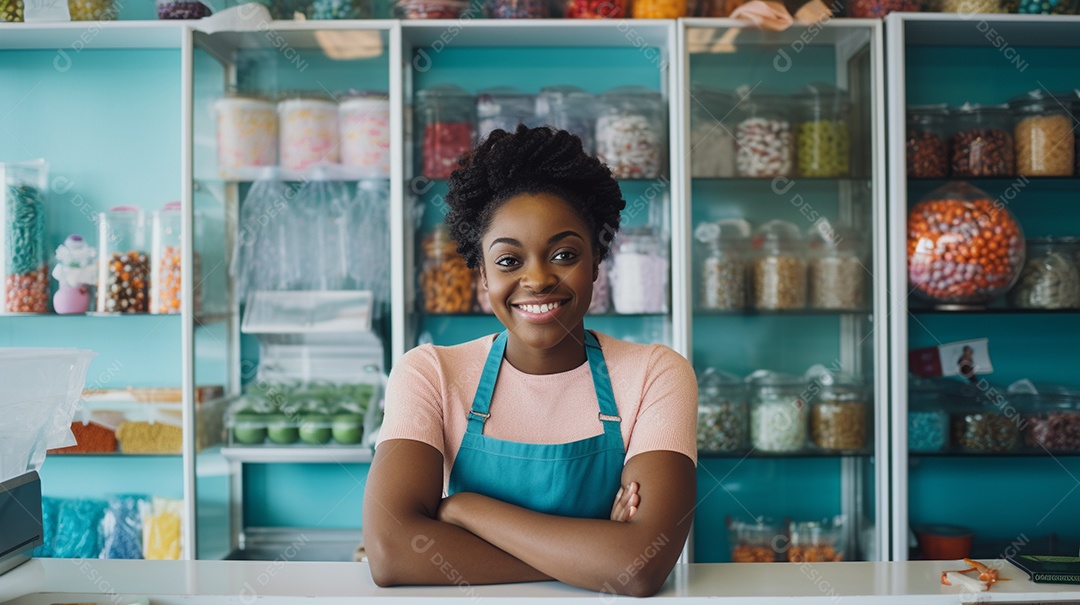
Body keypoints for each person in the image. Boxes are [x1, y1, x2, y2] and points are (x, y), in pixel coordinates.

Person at [362, 126, 698, 597]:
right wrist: (595, 554)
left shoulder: (656, 374)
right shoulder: (430, 373)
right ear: (481, 273)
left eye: (564, 254)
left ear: (597, 261)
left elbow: (639, 567)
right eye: (508, 261)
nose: (537, 279)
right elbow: (391, 552)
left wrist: (462, 510)